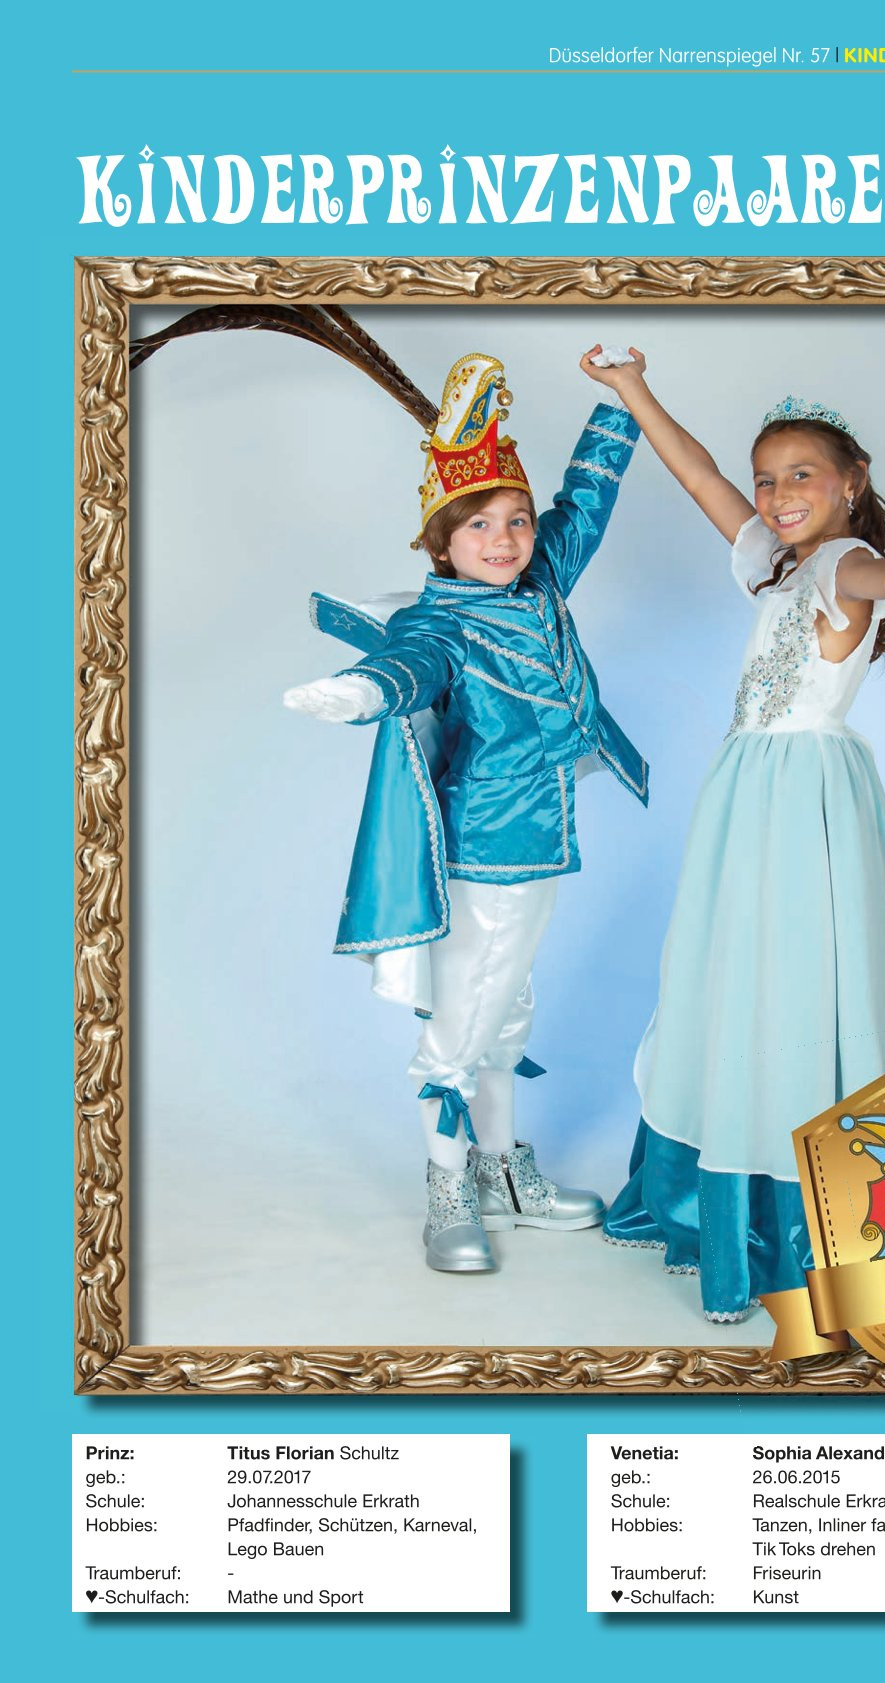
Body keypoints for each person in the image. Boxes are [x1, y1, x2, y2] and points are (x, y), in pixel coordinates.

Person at [581, 349, 885, 1322]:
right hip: (748, 792)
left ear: (851, 482)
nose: (779, 495)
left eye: (802, 475)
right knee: (737, 975)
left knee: (797, 980)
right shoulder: (774, 565)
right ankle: (718, 1190)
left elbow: (864, 571)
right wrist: (632, 389)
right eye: (769, 478)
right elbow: (700, 475)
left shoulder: (838, 562)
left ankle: (792, 1225)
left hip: (801, 801)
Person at [284, 350, 647, 1274]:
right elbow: (410, 665)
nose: (504, 537)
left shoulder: (540, 580)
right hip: (487, 848)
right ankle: (448, 1193)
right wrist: (363, 692)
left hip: (540, 839)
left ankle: (501, 1174)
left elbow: (586, 503)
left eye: (516, 519)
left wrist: (621, 403)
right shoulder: (442, 619)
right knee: (462, 1026)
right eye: (479, 524)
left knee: (505, 1011)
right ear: (441, 545)